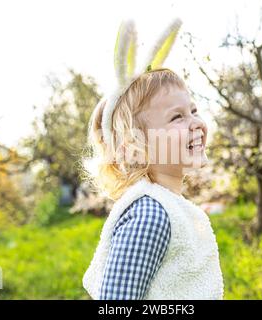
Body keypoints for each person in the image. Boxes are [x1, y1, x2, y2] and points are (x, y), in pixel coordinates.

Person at [82, 19, 223, 300]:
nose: (195, 122)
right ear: (135, 146)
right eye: (177, 117)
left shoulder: (171, 207)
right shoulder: (151, 216)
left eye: (193, 110)